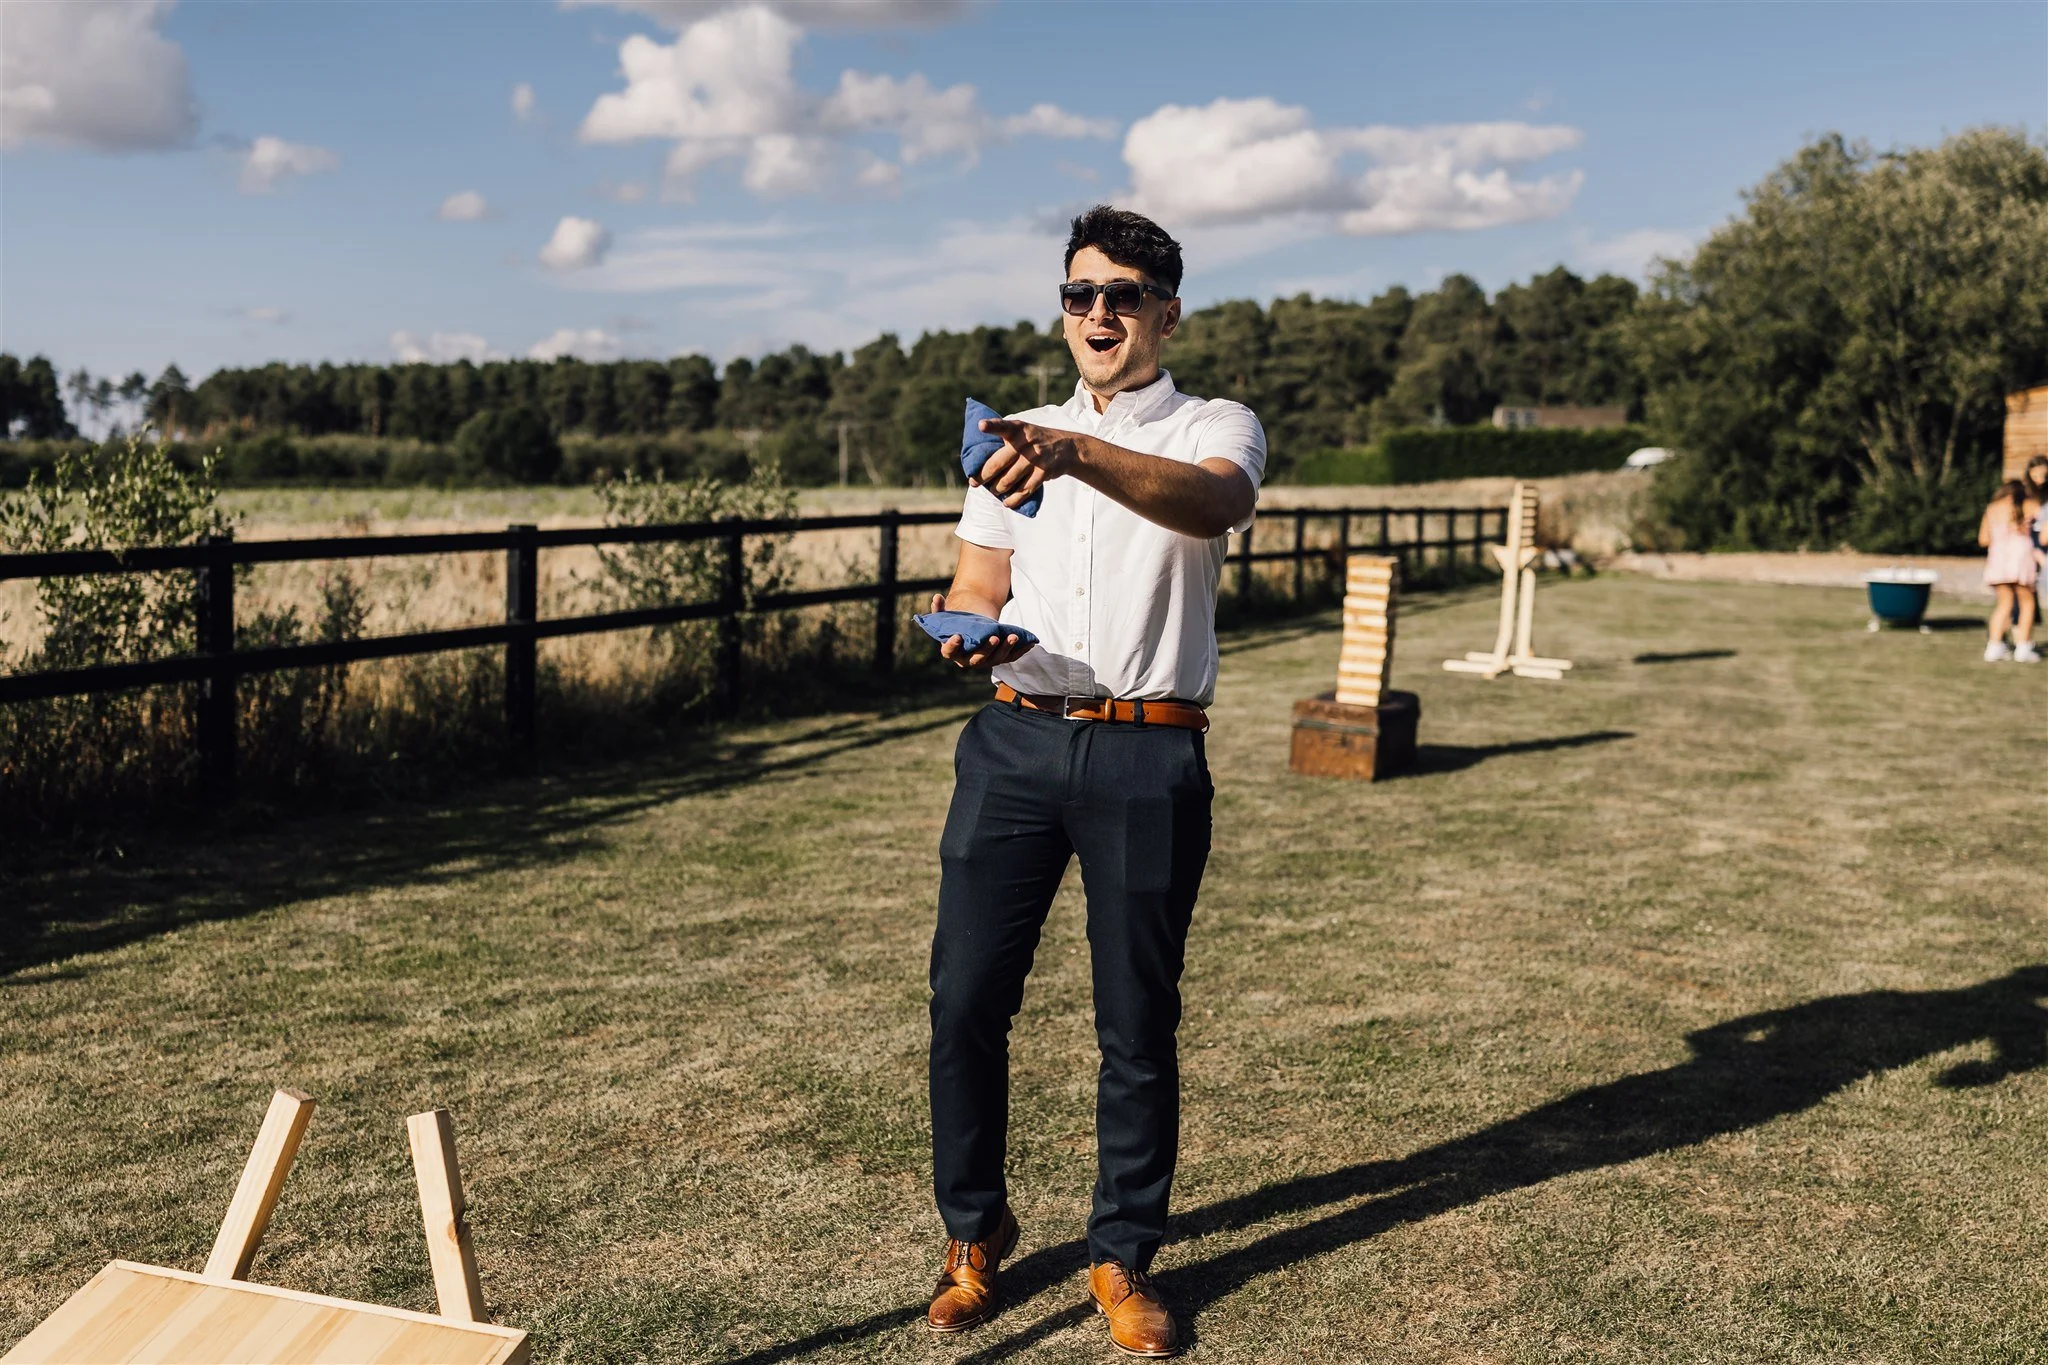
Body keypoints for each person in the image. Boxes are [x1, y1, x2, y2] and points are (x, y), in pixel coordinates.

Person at [919, 205, 1265, 1357]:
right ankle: (974, 1237)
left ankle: (1120, 1258)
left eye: (1122, 294)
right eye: (1080, 294)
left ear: (1166, 310)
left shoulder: (1215, 425)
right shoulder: (1011, 444)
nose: (1099, 313)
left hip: (1145, 747)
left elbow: (1212, 504)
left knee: (1135, 1020)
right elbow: (975, 581)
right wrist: (966, 632)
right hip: (1013, 741)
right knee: (966, 997)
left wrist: (1073, 452)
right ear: (1062, 311)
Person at [1979, 477, 2041, 662]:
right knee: (2027, 602)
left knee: (2004, 603)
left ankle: (1995, 646)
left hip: (1998, 559)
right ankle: (2023, 646)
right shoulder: (2027, 504)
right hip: (2020, 557)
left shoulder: (1992, 508)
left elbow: (1983, 540)